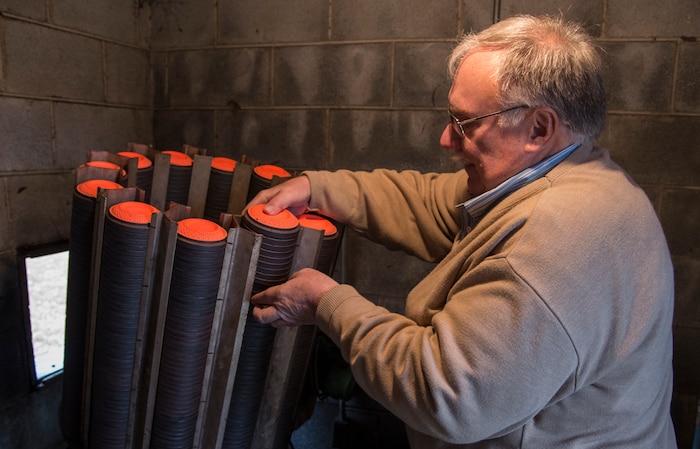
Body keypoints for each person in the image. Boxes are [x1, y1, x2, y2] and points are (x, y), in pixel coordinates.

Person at [247, 14, 677, 449]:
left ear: (539, 128)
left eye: (466, 122)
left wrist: (326, 303)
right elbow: (429, 202)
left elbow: (446, 396)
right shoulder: (566, 174)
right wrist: (317, 187)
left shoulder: (554, 240)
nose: (446, 139)